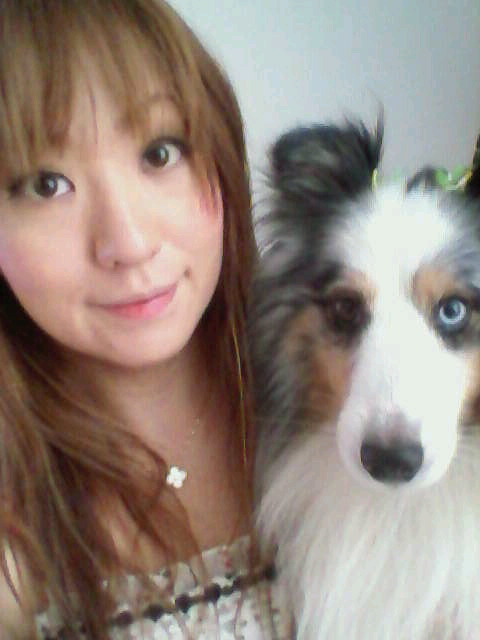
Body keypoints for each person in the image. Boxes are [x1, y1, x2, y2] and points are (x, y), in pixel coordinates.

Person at [0, 1, 292, 638]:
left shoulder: (339, 392)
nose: (128, 243)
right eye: (45, 184)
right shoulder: (15, 521)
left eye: (161, 153)